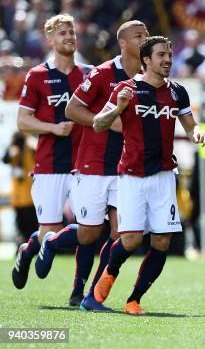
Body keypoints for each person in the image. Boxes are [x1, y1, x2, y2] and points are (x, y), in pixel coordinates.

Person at [34, 20, 149, 311]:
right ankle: (50, 242)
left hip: (127, 169)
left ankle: (92, 297)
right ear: (123, 43)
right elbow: (73, 109)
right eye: (138, 36)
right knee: (88, 234)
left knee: (122, 233)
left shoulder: (150, 78)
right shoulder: (103, 73)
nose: (144, 39)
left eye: (147, 35)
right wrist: (108, 122)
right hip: (94, 164)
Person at [90, 36, 205, 315]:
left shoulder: (178, 92)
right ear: (146, 60)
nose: (167, 60)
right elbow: (97, 124)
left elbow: (190, 125)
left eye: (169, 55)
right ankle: (102, 284)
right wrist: (118, 108)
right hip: (132, 176)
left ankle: (134, 300)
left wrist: (196, 133)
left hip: (164, 176)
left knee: (162, 241)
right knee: (130, 240)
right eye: (161, 55)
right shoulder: (126, 89)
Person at [11, 14, 89, 301]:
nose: (69, 36)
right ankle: (29, 249)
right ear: (50, 40)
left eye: (71, 31)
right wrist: (53, 128)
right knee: (48, 232)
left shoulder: (89, 74)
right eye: (62, 33)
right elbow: (22, 121)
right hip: (49, 166)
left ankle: (78, 291)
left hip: (84, 166)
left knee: (89, 230)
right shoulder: (37, 76)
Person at [2, 132, 37, 245]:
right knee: (20, 226)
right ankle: (21, 247)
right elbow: (5, 158)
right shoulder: (14, 149)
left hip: (30, 196)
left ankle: (33, 246)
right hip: (18, 198)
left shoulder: (31, 146)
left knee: (32, 226)